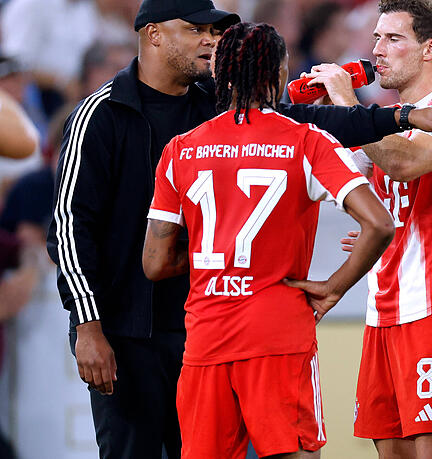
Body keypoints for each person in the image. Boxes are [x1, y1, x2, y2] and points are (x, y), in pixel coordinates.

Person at [45, 0, 432, 457]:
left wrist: (400, 116)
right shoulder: (103, 113)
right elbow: (69, 228)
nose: (208, 41)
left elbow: (155, 262)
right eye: (195, 30)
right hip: (142, 332)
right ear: (153, 34)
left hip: (200, 329)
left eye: (214, 33)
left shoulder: (192, 136)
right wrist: (87, 325)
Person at [142, 22, 394, 458]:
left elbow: (155, 262)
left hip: (207, 338)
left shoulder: (181, 149)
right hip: (278, 333)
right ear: (279, 74)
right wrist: (333, 289)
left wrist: (217, 250)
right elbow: (379, 224)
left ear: (220, 74)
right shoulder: (306, 140)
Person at [306, 1, 432, 457]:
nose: (377, 50)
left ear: (429, 49)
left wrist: (349, 107)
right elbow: (328, 183)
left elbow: (405, 162)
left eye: (393, 39)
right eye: (376, 37)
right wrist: (315, 121)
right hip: (382, 312)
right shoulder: (385, 122)